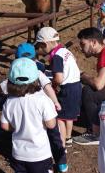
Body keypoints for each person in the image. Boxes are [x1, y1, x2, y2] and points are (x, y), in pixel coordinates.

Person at [1, 57, 67, 173]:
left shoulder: (9, 102)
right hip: (39, 152)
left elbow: (4, 126)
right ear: (36, 78)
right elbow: (51, 124)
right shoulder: (43, 100)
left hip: (19, 152)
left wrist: (17, 127)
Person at [0, 42, 66, 171]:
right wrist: (55, 102)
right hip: (44, 111)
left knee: (24, 132)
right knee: (54, 135)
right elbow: (48, 87)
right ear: (34, 57)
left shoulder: (15, 73)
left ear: (16, 58)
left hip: (25, 112)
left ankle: (23, 159)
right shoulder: (37, 71)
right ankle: (61, 161)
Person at [35, 27, 82, 160]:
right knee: (70, 115)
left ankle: (61, 146)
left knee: (60, 117)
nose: (41, 51)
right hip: (76, 85)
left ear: (45, 44)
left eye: (40, 47)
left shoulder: (56, 57)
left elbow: (59, 78)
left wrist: (53, 86)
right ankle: (68, 137)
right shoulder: (65, 51)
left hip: (66, 88)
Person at [73, 27, 105, 146]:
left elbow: (99, 84)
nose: (81, 48)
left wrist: (81, 75)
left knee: (88, 92)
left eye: (83, 44)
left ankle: (95, 133)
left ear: (94, 42)